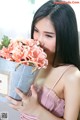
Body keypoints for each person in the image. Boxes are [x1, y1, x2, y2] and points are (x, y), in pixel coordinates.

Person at [7, 1, 80, 120]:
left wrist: (36, 110)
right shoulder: (30, 62)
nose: (39, 40)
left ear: (65, 37)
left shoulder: (72, 76)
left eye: (49, 35)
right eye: (36, 31)